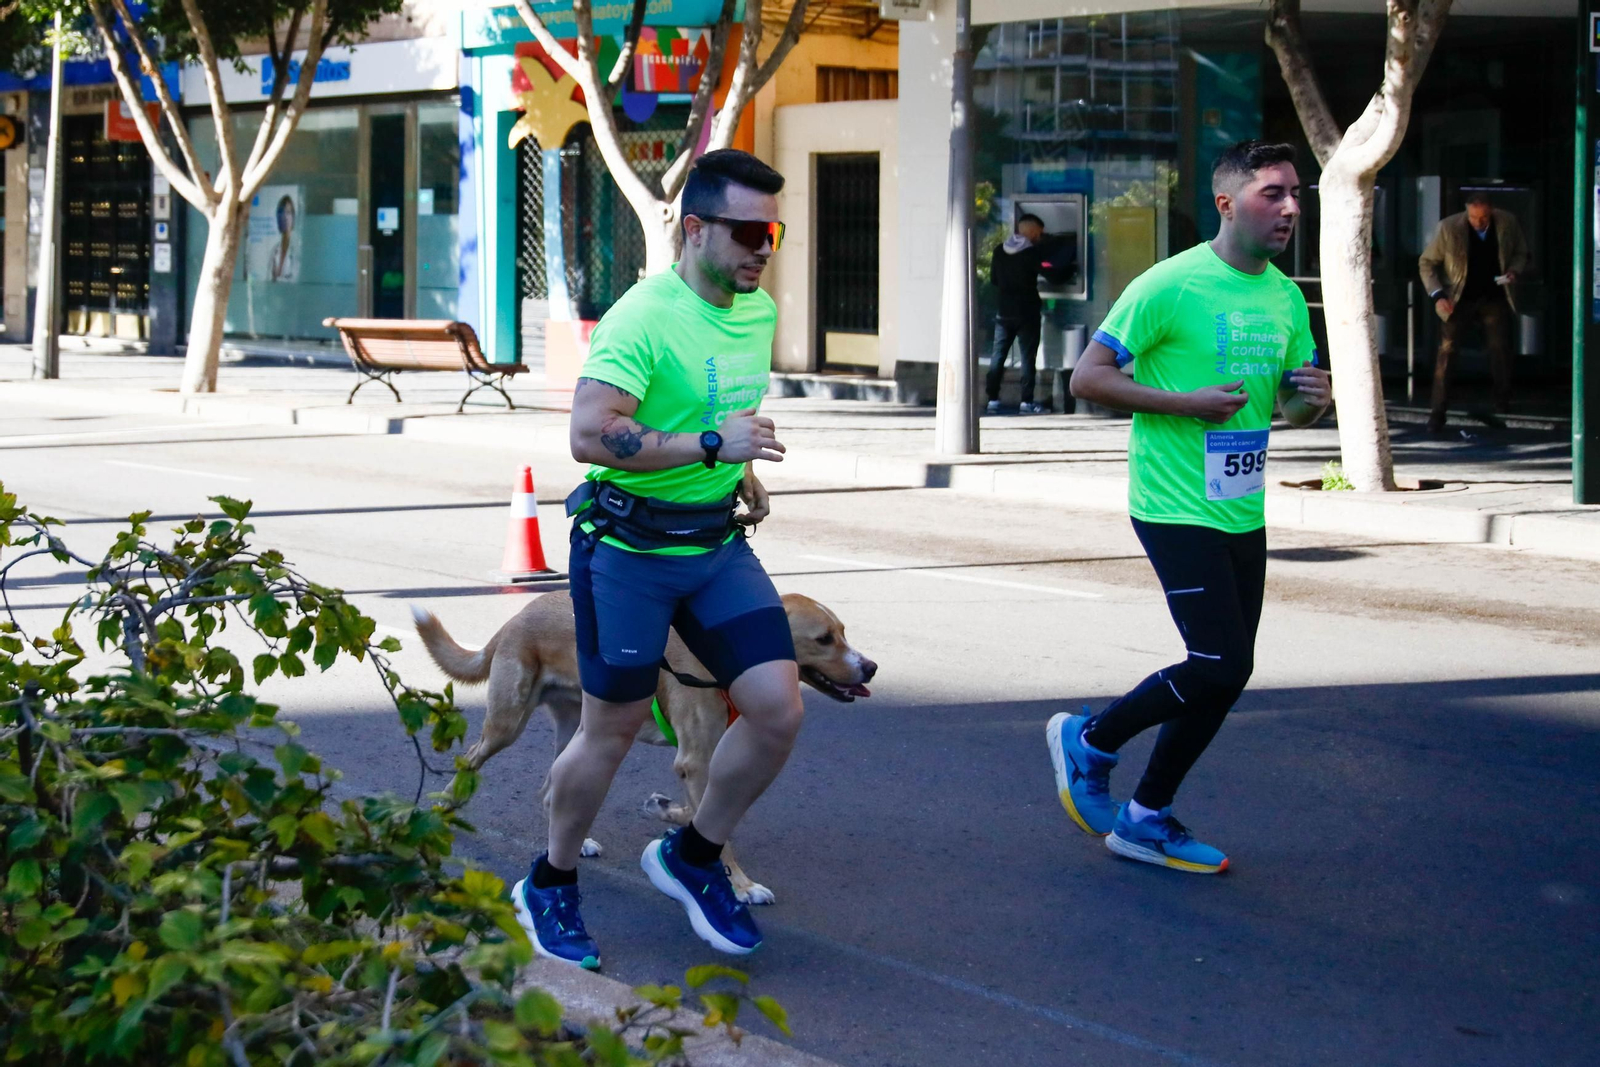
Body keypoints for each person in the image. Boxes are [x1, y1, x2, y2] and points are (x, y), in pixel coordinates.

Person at [512, 150, 803, 969]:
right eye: (747, 232)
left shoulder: (755, 312)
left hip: (712, 543)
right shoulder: (642, 318)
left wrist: (735, 469)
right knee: (612, 727)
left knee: (777, 709)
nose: (762, 249)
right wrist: (712, 443)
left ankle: (694, 855)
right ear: (696, 228)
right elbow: (588, 434)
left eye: (773, 233)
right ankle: (550, 880)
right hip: (629, 550)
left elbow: (721, 408)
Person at [1045, 140, 1331, 874]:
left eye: (1296, 193)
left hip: (1242, 506)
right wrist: (1185, 403)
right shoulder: (1171, 284)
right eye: (1273, 193)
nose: (1291, 208)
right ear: (1227, 203)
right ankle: (1091, 738)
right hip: (1173, 504)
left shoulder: (1286, 297)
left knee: (1227, 671)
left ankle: (1146, 816)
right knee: (1219, 662)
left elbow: (1290, 409)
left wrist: (1312, 401)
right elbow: (1087, 377)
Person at [1418, 192, 1530, 433]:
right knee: (1447, 351)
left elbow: (1521, 252)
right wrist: (1438, 295)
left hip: (1494, 294)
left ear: (1492, 211)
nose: (1479, 222)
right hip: (1458, 296)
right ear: (1466, 213)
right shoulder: (1449, 228)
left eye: (1484, 217)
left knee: (1499, 347)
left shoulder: (1507, 222)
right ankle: (1437, 411)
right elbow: (1427, 262)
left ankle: (1502, 400)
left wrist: (1514, 270)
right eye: (1473, 217)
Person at [985, 213, 1050, 415]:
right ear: (1032, 232)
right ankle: (1026, 402)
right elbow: (1051, 272)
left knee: (998, 356)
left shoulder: (999, 251)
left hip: (1004, 312)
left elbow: (994, 279)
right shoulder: (1032, 253)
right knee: (1027, 358)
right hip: (1027, 312)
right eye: (1038, 233)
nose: (1040, 237)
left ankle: (992, 400)